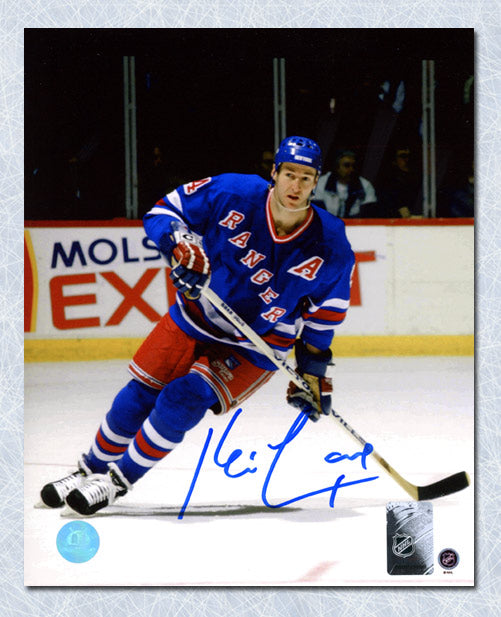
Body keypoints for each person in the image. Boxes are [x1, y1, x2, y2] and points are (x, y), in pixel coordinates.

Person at [40, 136, 355, 516]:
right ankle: (88, 470)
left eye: (306, 177)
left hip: (257, 343)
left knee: (184, 397)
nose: (296, 185)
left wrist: (313, 372)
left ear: (316, 182)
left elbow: (324, 317)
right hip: (196, 315)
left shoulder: (331, 243)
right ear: (274, 172)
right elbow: (163, 212)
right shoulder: (234, 192)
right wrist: (180, 244)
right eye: (289, 174)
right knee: (138, 395)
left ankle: (116, 481)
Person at [313, 149, 378, 218]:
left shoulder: (366, 185)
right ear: (337, 167)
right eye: (347, 166)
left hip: (354, 223)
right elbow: (317, 211)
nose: (351, 169)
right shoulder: (321, 183)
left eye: (354, 166)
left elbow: (369, 212)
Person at [376, 146, 422, 218]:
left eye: (409, 156)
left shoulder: (418, 177)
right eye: (403, 156)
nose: (407, 159)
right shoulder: (390, 180)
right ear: (394, 160)